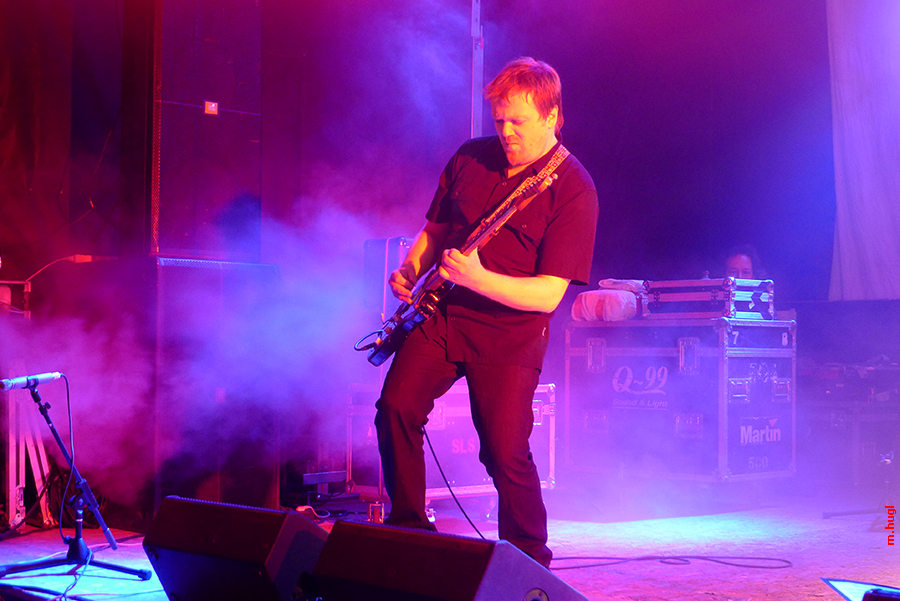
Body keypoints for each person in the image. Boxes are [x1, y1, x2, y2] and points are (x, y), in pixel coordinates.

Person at [374, 57, 598, 567]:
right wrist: (410, 268)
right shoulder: (470, 158)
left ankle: (528, 561)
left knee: (502, 450)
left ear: (551, 115)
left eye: (518, 120)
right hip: (444, 317)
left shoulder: (574, 187)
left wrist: (478, 278)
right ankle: (409, 532)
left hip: (510, 334)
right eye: (499, 120)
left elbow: (547, 295)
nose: (506, 132)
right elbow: (435, 231)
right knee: (395, 409)